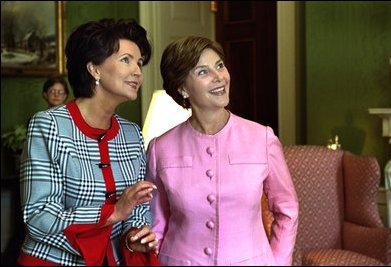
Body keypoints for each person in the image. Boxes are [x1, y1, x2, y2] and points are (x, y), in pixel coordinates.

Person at [146, 36, 299, 266]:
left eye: (219, 66)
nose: (219, 77)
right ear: (182, 88)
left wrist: (278, 262)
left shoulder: (262, 139)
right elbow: (156, 224)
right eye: (203, 72)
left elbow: (287, 210)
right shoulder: (160, 148)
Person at [18, 18, 159, 266]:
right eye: (126, 60)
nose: (137, 71)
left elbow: (136, 208)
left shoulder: (132, 133)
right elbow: (38, 216)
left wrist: (132, 237)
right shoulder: (49, 125)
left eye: (139, 63)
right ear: (94, 69)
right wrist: (112, 213)